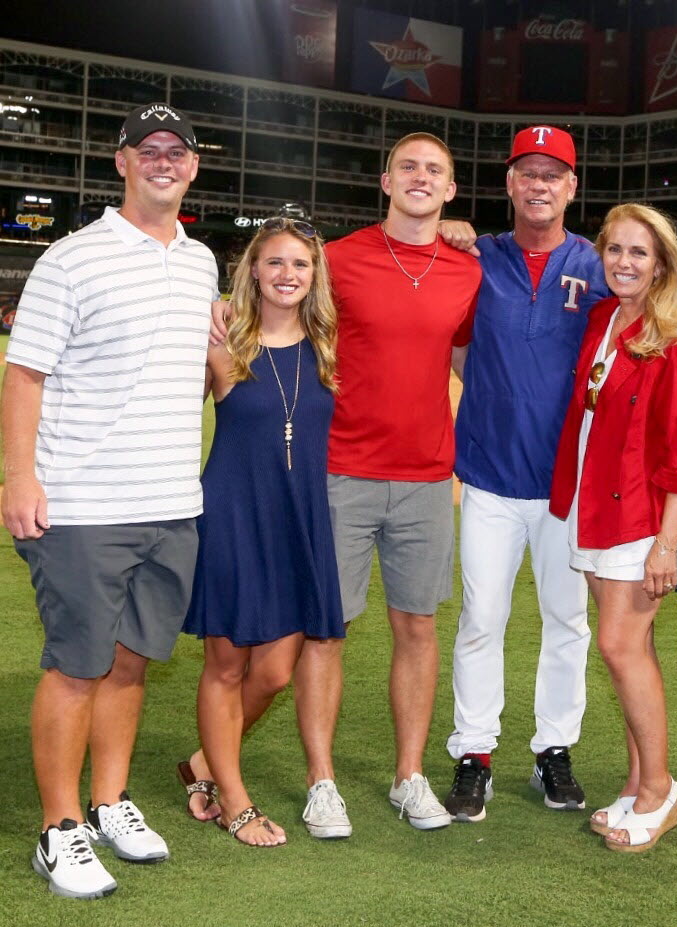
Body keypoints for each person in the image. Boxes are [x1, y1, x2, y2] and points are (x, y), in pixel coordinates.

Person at [214, 132, 482, 831]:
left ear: (451, 189)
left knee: (417, 625)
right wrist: (223, 307)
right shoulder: (340, 259)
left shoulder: (466, 268)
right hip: (338, 470)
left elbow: (466, 359)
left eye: (436, 170)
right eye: (409, 167)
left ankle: (409, 774)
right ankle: (322, 779)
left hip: (427, 474)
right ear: (385, 180)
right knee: (326, 631)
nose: (422, 178)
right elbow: (279, 296)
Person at [1, 103, 218, 898]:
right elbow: (24, 373)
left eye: (178, 150)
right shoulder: (72, 256)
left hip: (168, 499)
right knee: (76, 665)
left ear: (194, 166)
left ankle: (107, 801)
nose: (164, 160)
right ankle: (59, 827)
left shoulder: (199, 262)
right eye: (148, 149)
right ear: (120, 161)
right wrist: (19, 476)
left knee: (130, 664)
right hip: (85, 505)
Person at [440, 125, 609, 823]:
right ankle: (474, 752)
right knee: (482, 616)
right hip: (487, 473)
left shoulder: (599, 264)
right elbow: (452, 348)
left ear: (572, 187)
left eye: (554, 174)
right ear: (509, 184)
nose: (539, 185)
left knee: (568, 619)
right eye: (527, 172)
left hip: (568, 482)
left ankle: (553, 750)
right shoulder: (476, 258)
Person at [548, 203, 677, 852]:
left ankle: (659, 791)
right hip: (598, 501)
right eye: (614, 249)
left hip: (646, 515)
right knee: (630, 652)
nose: (624, 262)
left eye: (638, 252)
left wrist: (668, 542)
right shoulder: (605, 318)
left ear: (661, 263)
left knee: (620, 645)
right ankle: (638, 778)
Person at [179, 218, 343, 846]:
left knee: (274, 672)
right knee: (225, 666)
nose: (286, 275)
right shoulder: (220, 344)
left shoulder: (328, 347)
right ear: (252, 270)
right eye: (274, 263)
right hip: (231, 514)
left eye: (299, 265)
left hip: (298, 517)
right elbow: (166, 413)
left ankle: (203, 764)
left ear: (313, 276)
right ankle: (235, 799)